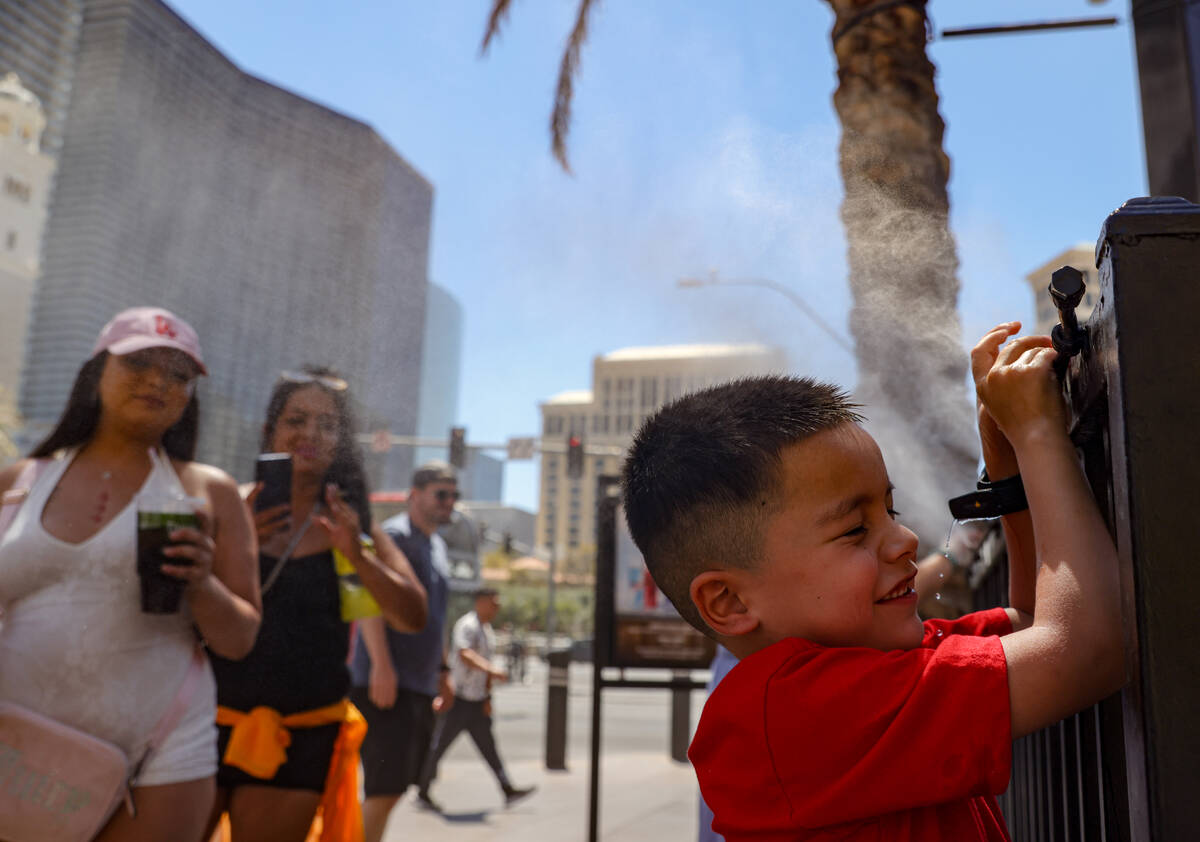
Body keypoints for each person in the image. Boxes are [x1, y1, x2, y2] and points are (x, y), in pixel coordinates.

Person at [620, 322, 1126, 841]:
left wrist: (1008, 472)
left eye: (891, 509)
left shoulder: (877, 661)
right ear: (728, 600)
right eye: (855, 529)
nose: (904, 538)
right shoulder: (793, 715)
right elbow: (1088, 648)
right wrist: (1039, 433)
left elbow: (1035, 626)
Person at [0, 306, 262, 842]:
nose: (159, 381)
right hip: (13, 747)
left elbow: (239, 639)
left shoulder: (208, 492)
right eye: (140, 361)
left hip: (157, 754)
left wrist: (202, 583)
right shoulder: (19, 481)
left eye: (178, 374)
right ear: (97, 371)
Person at [206, 366, 428, 842]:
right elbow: (178, 610)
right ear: (270, 431)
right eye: (297, 419)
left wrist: (357, 556)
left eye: (327, 425)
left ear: (340, 443)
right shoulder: (227, 507)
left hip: (302, 733)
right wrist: (232, 544)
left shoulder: (354, 527)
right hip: (202, 722)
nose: (310, 433)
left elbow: (412, 616)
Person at [350, 462, 458, 842]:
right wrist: (381, 665)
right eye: (440, 494)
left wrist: (444, 671)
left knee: (396, 786)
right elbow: (369, 601)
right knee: (384, 788)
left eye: (453, 495)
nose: (449, 502)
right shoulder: (393, 536)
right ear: (414, 495)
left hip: (419, 683)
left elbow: (436, 616)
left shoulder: (438, 545)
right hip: (386, 682)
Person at [416, 587, 536, 811]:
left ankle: (507, 789)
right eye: (494, 603)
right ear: (481, 602)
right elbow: (465, 654)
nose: (496, 608)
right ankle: (422, 791)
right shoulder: (468, 626)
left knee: (489, 748)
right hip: (459, 700)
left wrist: (488, 696)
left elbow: (482, 668)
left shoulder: (486, 629)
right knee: (439, 746)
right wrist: (492, 670)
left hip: (477, 702)